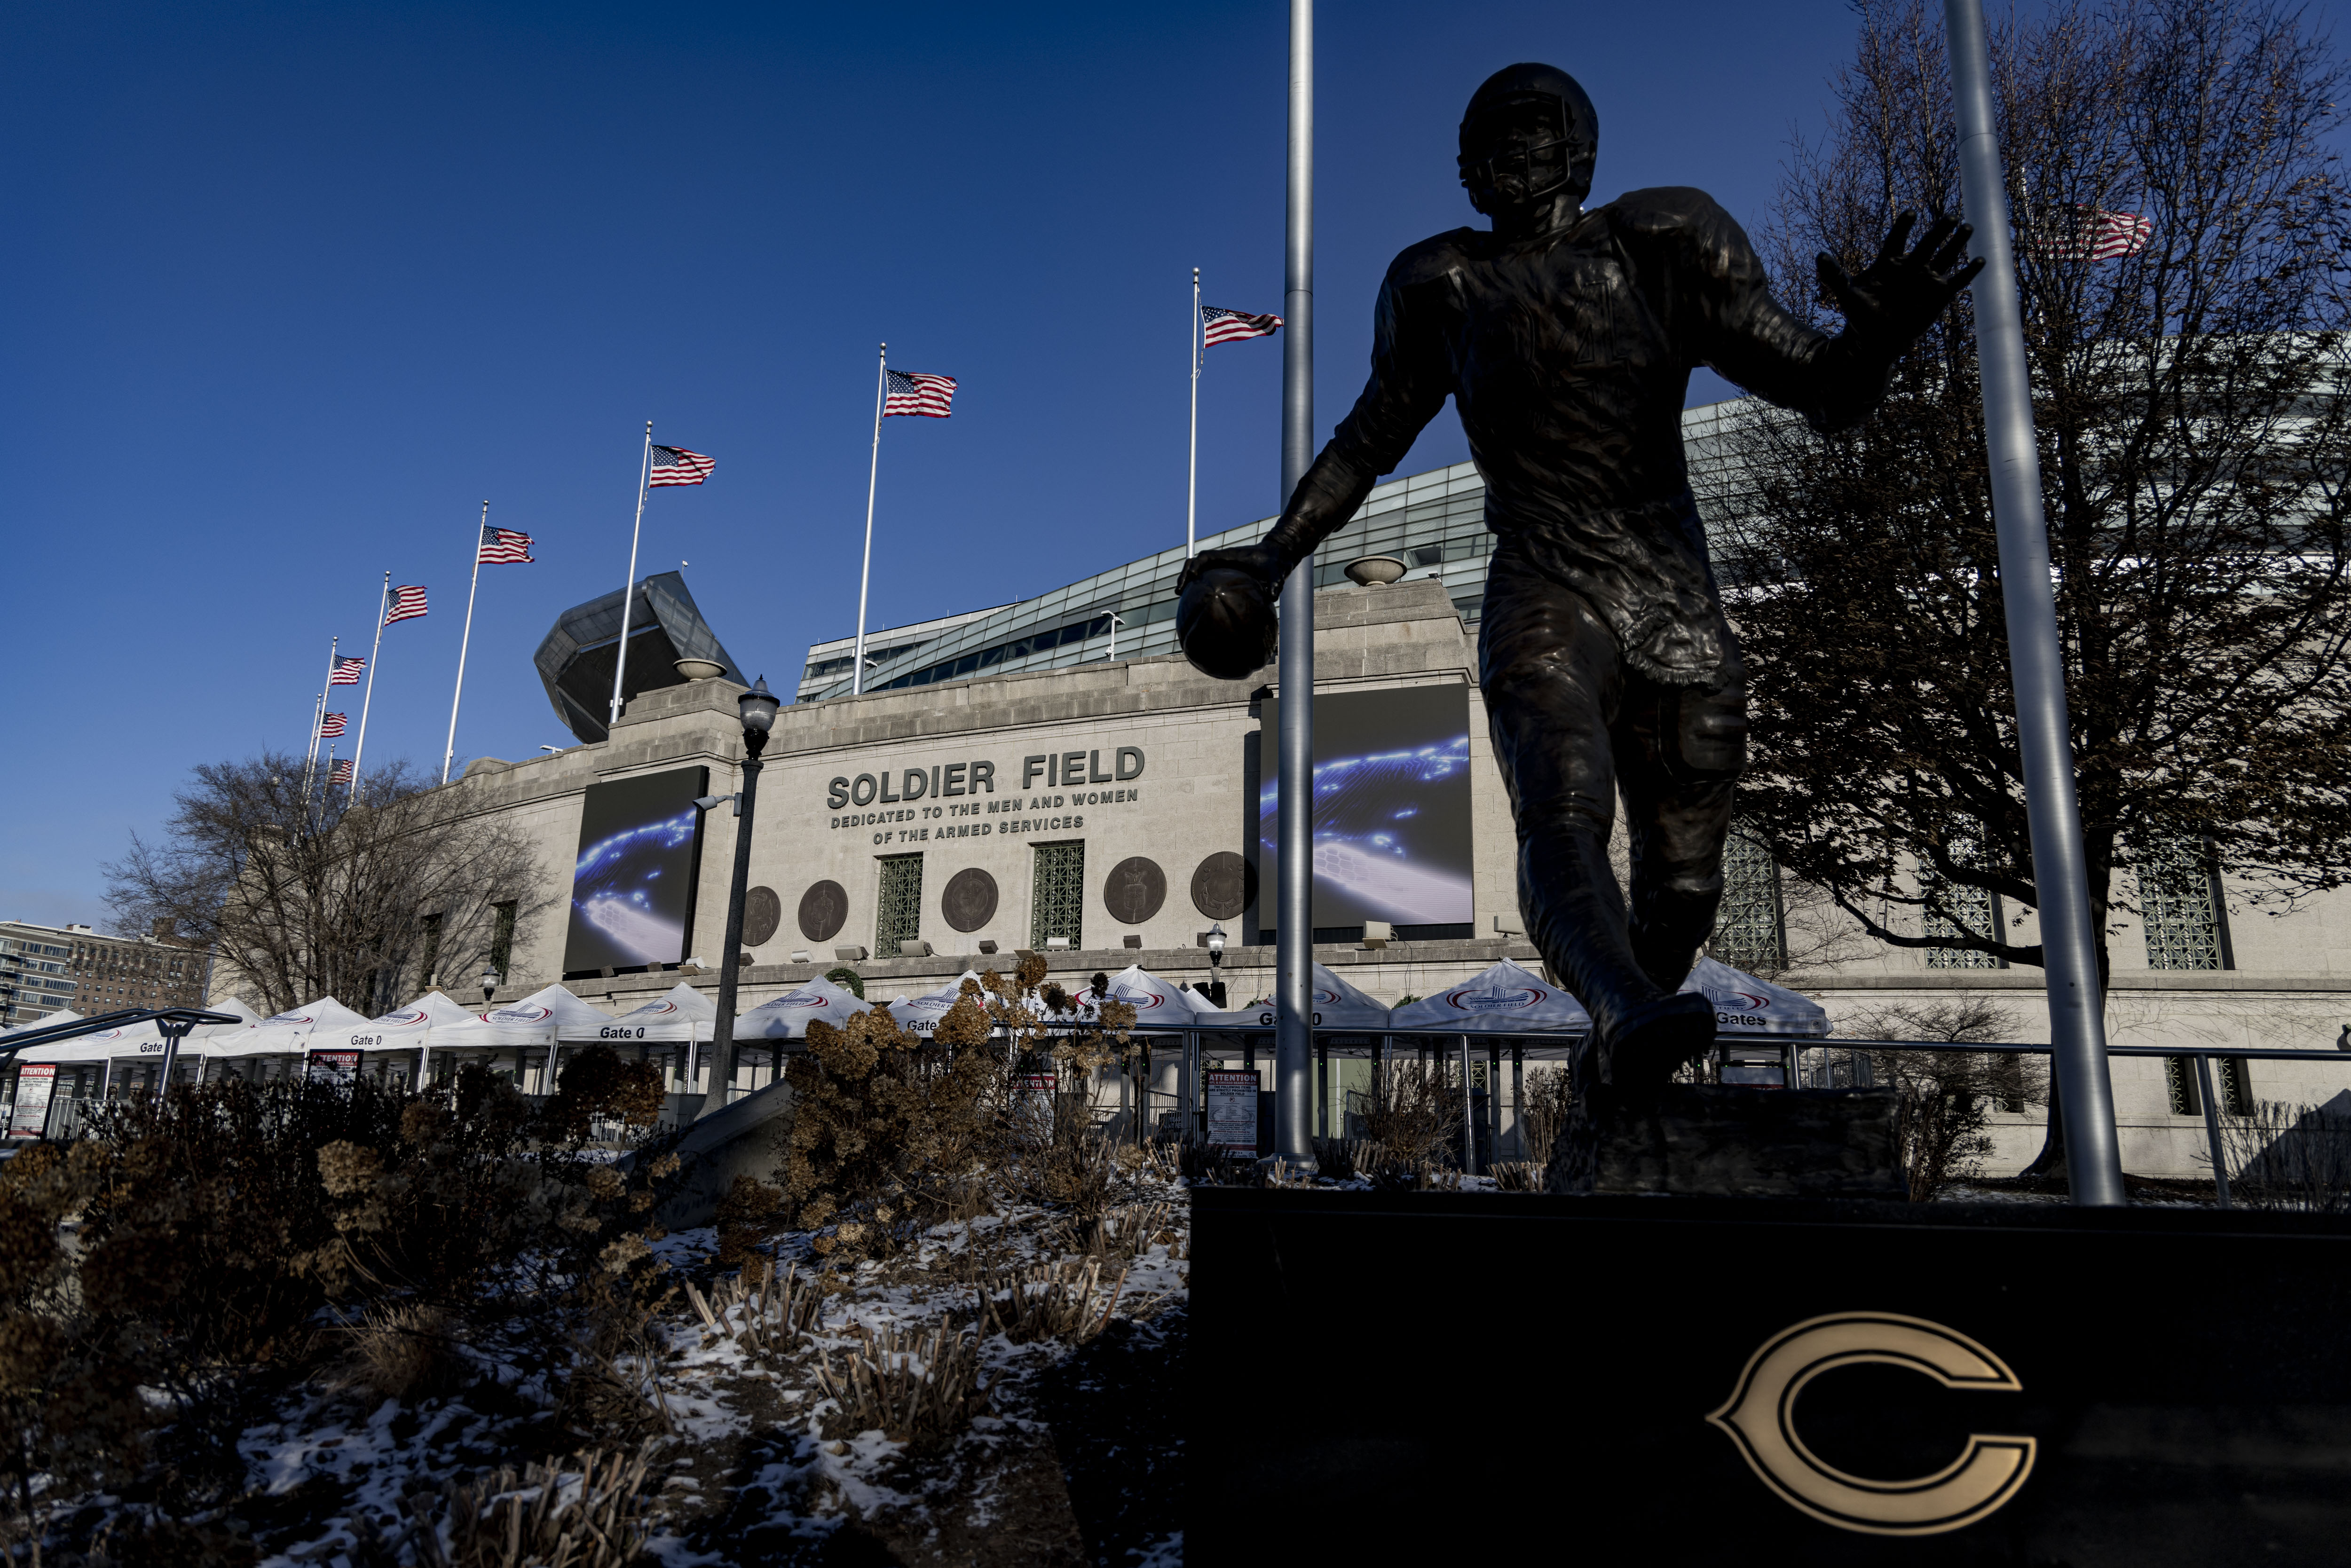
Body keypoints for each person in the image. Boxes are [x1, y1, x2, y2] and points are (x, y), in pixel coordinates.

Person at [1179, 62, 1979, 1096]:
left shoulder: (1665, 243)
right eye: (1491, 138)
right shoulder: (1440, 286)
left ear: (1579, 146)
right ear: (1465, 166)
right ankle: (1629, 1007)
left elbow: (1822, 391)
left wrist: (1873, 340)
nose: (1513, 155)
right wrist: (1271, 555)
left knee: (1684, 890)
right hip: (1543, 581)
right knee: (1559, 809)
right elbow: (1365, 441)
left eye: (1533, 131)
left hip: (1672, 594)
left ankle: (1624, 1043)